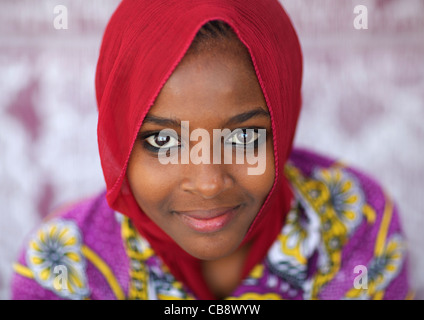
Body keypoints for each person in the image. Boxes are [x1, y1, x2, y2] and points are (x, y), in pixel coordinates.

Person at [11, 0, 411, 300]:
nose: (207, 183)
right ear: (119, 140)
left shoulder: (359, 228)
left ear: (283, 124)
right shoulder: (64, 268)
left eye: (243, 138)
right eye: (163, 141)